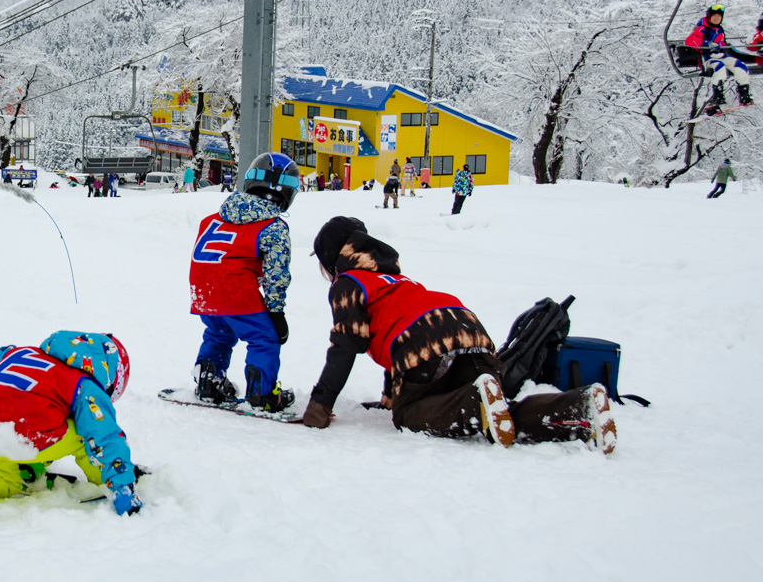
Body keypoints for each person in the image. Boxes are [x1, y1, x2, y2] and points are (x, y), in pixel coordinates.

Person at [300, 216, 617, 454]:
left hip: (424, 340)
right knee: (498, 412)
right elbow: (392, 329)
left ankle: (476, 400)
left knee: (408, 414)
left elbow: (347, 343)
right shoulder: (395, 279)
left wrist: (321, 404)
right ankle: (579, 409)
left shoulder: (348, 283)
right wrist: (389, 394)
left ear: (332, 257)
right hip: (468, 329)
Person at [0, 331, 141, 517]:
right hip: (23, 432)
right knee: (85, 432)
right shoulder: (84, 384)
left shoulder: (20, 353)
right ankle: (106, 479)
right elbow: (104, 434)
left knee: (5, 477)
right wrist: (122, 483)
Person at [189, 152, 299, 412]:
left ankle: (208, 382)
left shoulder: (212, 219)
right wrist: (275, 310)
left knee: (219, 332)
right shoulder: (272, 226)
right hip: (235, 291)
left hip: (203, 289)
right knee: (264, 338)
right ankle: (262, 395)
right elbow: (276, 273)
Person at [686, 4, 753, 116]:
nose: (717, 18)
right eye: (714, 16)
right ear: (709, 16)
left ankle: (744, 95)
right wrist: (706, 44)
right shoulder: (702, 28)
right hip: (709, 58)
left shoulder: (719, 29)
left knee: (740, 66)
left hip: (722, 56)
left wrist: (722, 45)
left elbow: (721, 42)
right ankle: (716, 99)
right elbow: (690, 41)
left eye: (719, 16)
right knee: (720, 68)